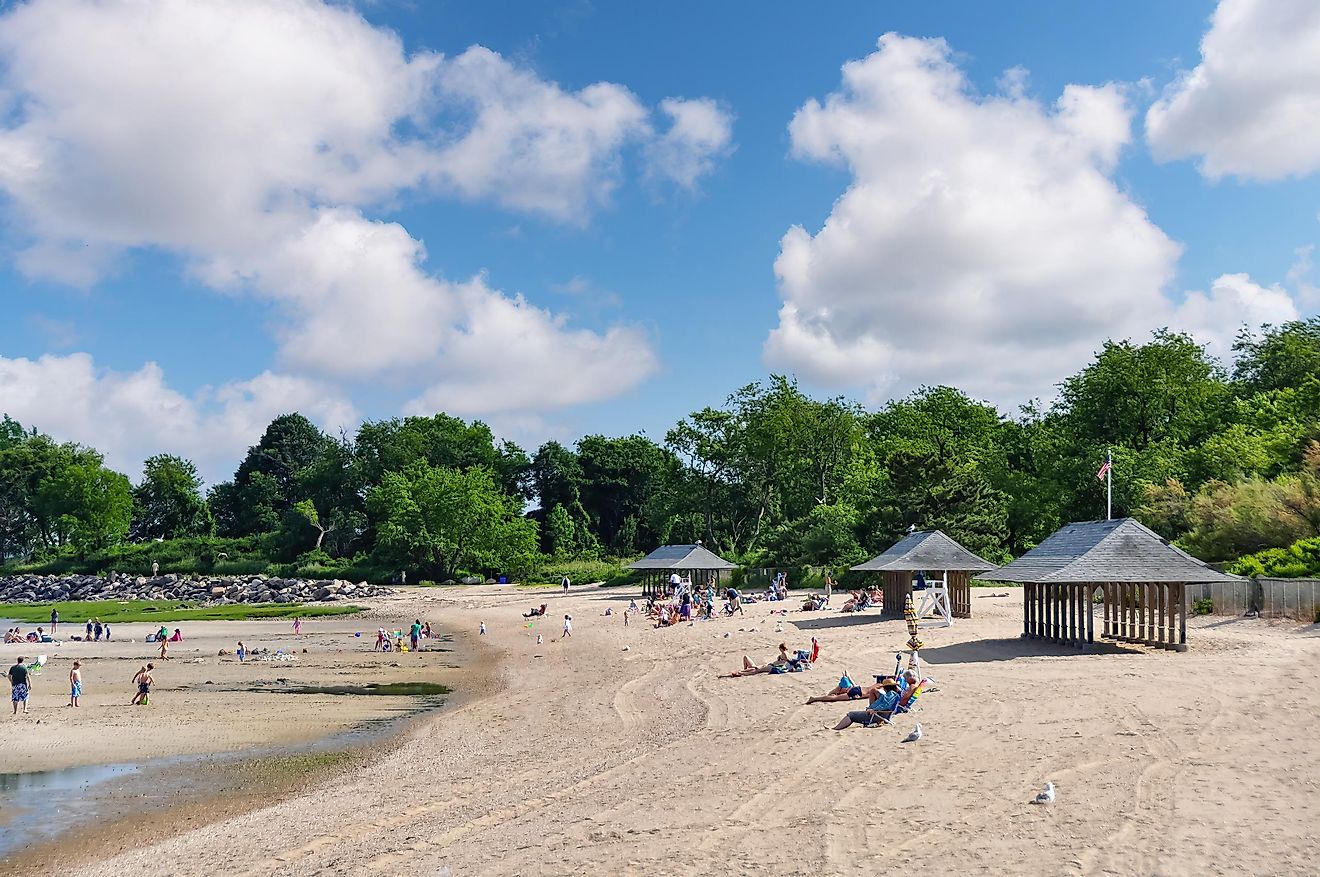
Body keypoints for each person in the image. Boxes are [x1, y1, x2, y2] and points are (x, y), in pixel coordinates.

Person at [832, 679, 901, 730]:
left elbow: (884, 705)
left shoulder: (890, 695)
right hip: (885, 716)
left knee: (851, 715)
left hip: (877, 716)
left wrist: (872, 709)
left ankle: (836, 728)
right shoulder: (895, 695)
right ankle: (837, 728)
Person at [719, 644, 791, 678]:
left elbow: (787, 659)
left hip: (772, 666)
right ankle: (739, 672)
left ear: (782, 648)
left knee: (755, 671)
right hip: (770, 665)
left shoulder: (785, 653)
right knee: (753, 667)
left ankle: (739, 673)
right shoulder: (784, 653)